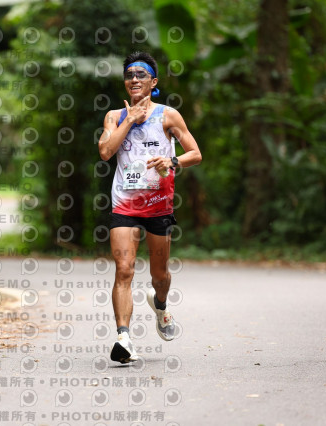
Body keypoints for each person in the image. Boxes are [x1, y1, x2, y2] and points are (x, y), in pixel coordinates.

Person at [98, 51, 202, 363]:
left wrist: (171, 160)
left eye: (141, 74)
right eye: (129, 75)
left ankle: (160, 305)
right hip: (124, 205)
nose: (134, 79)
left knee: (160, 276)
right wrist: (129, 119)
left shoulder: (168, 116)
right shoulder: (114, 117)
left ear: (153, 82)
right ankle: (124, 338)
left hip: (159, 206)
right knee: (124, 269)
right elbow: (105, 151)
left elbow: (195, 153)